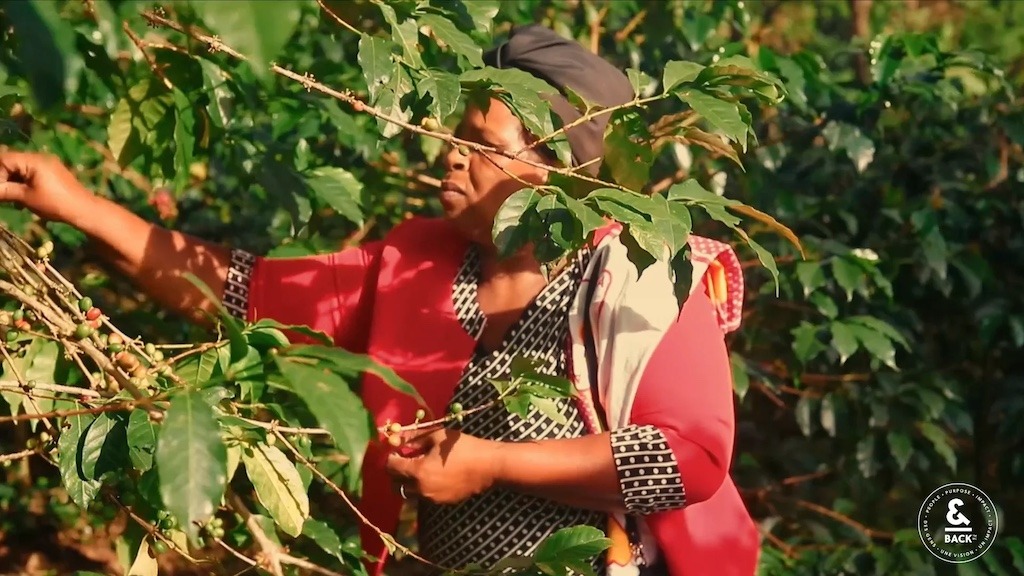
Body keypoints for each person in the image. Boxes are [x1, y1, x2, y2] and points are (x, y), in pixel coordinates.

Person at [0, 24, 759, 576]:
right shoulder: (418, 262)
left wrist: (492, 464)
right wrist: (72, 204)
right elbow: (244, 292)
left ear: (560, 168)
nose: (450, 154)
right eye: (455, 134)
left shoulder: (642, 273)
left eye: (483, 142)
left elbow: (687, 457)